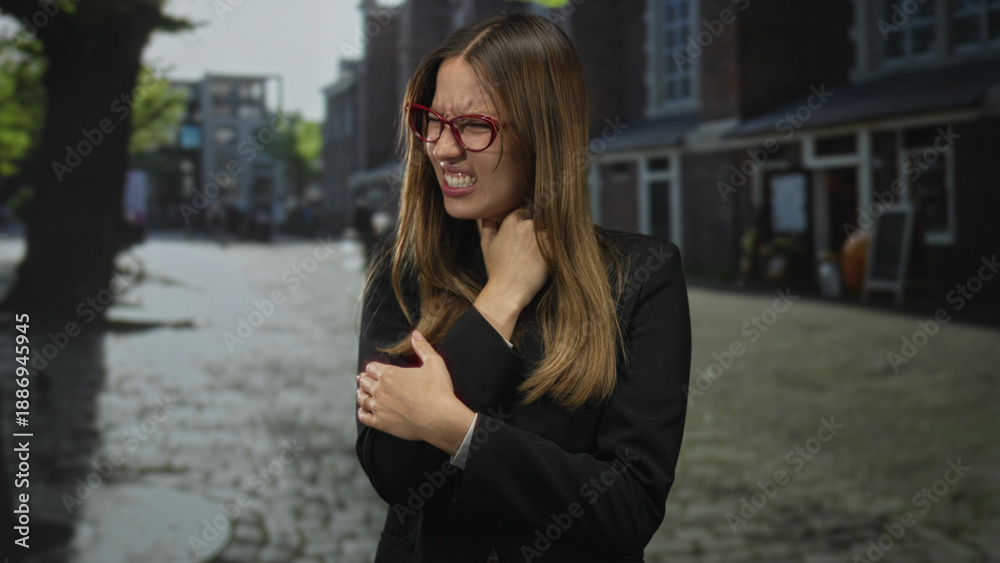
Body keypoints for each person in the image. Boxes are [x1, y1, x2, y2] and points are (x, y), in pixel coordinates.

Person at [355, 14, 691, 563]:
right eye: (431, 121)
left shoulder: (642, 276)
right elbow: (392, 471)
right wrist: (501, 299)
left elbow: (629, 508)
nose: (442, 149)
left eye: (474, 125)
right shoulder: (402, 269)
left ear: (543, 135)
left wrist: (458, 430)